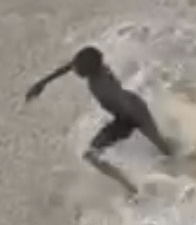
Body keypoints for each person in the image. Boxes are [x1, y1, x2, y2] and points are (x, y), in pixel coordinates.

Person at [25, 45, 175, 197]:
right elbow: (68, 67)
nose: (75, 70)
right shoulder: (96, 70)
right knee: (91, 155)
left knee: (164, 148)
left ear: (87, 70)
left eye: (78, 69)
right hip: (124, 114)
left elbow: (128, 105)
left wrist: (138, 126)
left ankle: (179, 166)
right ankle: (130, 188)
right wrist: (42, 83)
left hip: (133, 115)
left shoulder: (103, 83)